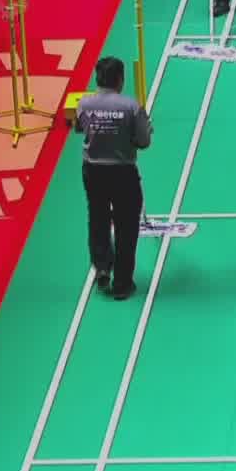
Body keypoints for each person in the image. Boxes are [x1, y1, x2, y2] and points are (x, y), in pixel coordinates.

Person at [75, 56, 152, 300]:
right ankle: (122, 284)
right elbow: (143, 142)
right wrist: (143, 129)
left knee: (98, 219)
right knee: (126, 227)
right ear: (120, 79)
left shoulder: (84, 103)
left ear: (98, 78)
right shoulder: (131, 106)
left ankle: (102, 268)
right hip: (122, 173)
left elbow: (80, 128)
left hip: (93, 171)